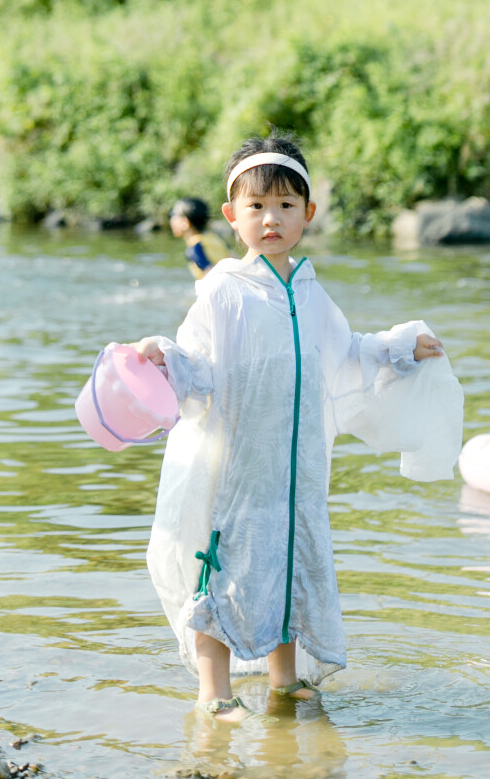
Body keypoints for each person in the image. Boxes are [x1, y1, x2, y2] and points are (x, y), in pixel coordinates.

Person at [129, 135, 463, 722]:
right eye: (256, 207)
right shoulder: (222, 291)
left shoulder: (311, 294)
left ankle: (285, 680)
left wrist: (397, 347)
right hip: (238, 467)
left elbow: (344, 357)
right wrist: (161, 355)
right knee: (223, 568)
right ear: (233, 217)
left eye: (286, 205)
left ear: (309, 214)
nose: (271, 219)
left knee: (290, 564)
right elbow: (196, 366)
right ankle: (214, 689)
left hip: (299, 469)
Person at [169, 197, 233, 279]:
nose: (171, 219)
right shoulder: (215, 238)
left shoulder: (195, 249)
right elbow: (234, 258)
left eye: (172, 214)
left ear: (185, 222)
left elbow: (210, 273)